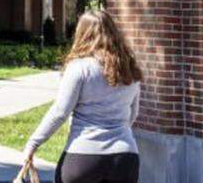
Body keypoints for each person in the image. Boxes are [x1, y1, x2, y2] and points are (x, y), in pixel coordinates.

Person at [23, 10, 141, 183]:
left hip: (84, 156)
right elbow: (133, 113)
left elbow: (60, 112)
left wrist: (33, 144)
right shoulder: (129, 69)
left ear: (82, 33)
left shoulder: (79, 68)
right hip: (125, 157)